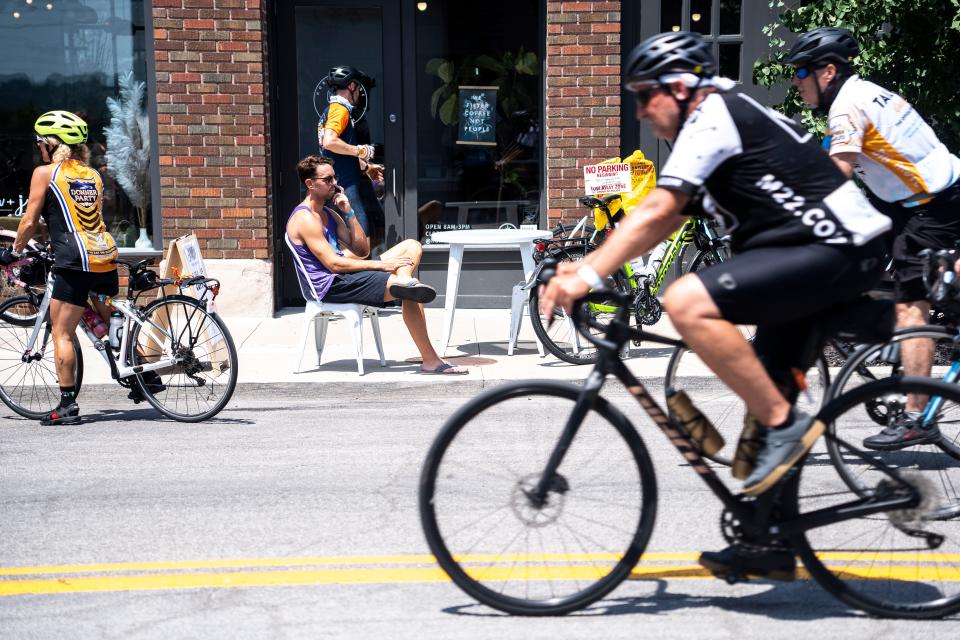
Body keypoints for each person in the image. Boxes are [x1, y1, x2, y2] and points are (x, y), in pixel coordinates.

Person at [539, 31, 892, 580]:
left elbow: (661, 208)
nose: (639, 110)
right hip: (813, 252)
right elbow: (668, 216)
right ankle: (766, 544)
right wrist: (590, 265)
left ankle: (784, 428)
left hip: (837, 249)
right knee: (759, 419)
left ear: (679, 88)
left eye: (643, 95)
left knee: (686, 300)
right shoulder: (711, 121)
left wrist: (587, 274)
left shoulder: (714, 115)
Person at [785, 26, 960, 450]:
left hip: (931, 205)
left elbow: (835, 175)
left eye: (801, 71)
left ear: (827, 71)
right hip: (921, 200)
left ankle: (917, 417)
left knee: (910, 308)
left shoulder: (846, 108)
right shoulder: (866, 93)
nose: (795, 80)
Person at [285, 155, 467, 375]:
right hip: (330, 285)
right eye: (328, 180)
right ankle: (430, 359)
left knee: (412, 245)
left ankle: (404, 280)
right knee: (412, 292)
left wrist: (349, 212)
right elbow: (333, 265)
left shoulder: (329, 214)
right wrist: (381, 266)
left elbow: (361, 250)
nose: (335, 183)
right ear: (310, 184)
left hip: (345, 273)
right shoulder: (306, 219)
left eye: (335, 178)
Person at [0, 110, 120, 425]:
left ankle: (66, 405)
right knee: (110, 327)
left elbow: (27, 221)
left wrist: (14, 251)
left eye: (41, 141)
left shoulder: (46, 173)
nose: (38, 147)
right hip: (103, 258)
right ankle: (138, 375)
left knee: (62, 333)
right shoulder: (92, 174)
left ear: (51, 144)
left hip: (74, 263)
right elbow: (87, 219)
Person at [317, 65, 386, 250]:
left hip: (345, 181)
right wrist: (360, 150)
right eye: (360, 89)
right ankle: (357, 276)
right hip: (346, 185)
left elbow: (336, 151)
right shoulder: (340, 109)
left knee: (364, 236)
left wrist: (365, 167)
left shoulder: (332, 110)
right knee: (360, 240)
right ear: (353, 86)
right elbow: (329, 142)